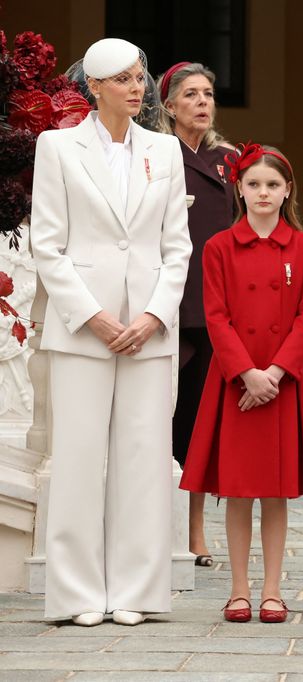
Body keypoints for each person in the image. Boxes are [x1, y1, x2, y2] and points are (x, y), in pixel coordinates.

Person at [30, 38, 192, 626]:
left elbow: (177, 247)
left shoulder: (165, 152)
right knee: (77, 457)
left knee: (145, 460)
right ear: (94, 87)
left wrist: (154, 314)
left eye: (140, 76)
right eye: (122, 78)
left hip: (149, 330)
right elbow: (49, 245)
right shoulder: (57, 147)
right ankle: (74, 596)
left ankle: (137, 592)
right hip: (82, 330)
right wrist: (93, 315)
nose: (137, 86)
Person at [179, 143, 303, 623]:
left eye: (273, 184)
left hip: (284, 381)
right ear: (240, 189)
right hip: (234, 381)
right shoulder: (218, 247)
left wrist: (274, 373)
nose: (263, 192)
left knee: (274, 489)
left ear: (287, 190)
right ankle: (238, 590)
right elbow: (216, 315)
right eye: (254, 184)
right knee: (238, 487)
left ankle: (272, 589)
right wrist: (246, 371)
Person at [156, 60, 235, 568]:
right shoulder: (154, 155)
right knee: (166, 421)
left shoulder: (231, 161)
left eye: (208, 93)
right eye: (191, 94)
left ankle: (196, 531)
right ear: (169, 106)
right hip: (167, 305)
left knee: (205, 424)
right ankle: (159, 527)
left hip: (216, 308)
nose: (203, 102)